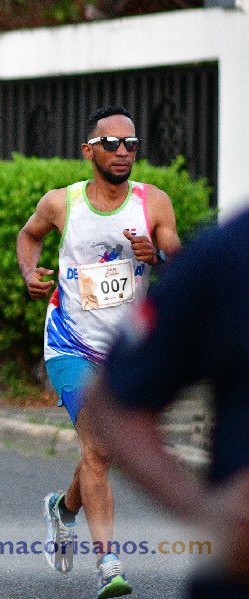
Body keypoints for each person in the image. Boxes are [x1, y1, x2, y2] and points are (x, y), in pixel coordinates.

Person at [16, 105, 181, 598]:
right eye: (112, 144)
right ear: (89, 151)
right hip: (71, 343)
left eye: (131, 144)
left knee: (101, 449)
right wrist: (29, 272)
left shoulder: (153, 203)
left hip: (126, 351)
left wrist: (157, 254)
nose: (123, 152)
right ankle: (108, 564)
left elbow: (178, 256)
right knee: (101, 447)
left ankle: (63, 508)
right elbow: (29, 236)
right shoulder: (61, 203)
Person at [87, 210, 249, 598]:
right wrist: (207, 513)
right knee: (91, 456)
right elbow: (113, 401)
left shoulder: (153, 204)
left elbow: (169, 252)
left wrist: (155, 255)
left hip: (121, 326)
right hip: (91, 338)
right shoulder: (231, 254)